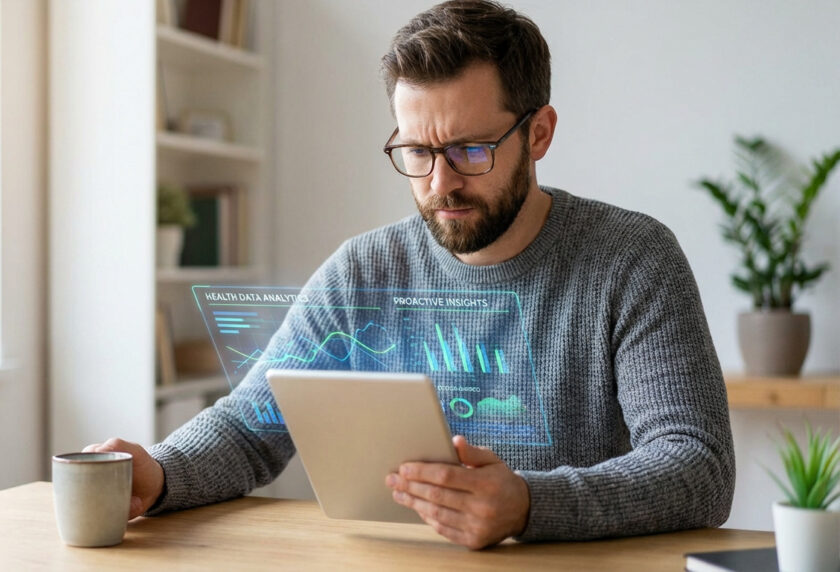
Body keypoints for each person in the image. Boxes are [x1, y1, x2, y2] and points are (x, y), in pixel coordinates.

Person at [84, 0, 735, 549]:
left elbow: (698, 466)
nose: (440, 182)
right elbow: (251, 427)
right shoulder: (364, 272)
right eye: (417, 151)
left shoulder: (632, 258)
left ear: (538, 134)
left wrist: (529, 505)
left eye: (470, 150)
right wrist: (159, 472)